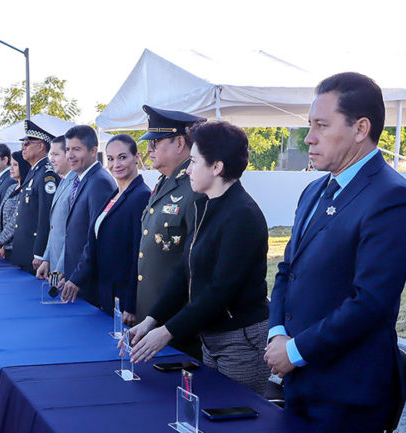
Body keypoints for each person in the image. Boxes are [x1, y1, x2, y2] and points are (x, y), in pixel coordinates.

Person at [264, 72, 406, 433]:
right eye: (309, 126)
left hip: (344, 395)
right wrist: (277, 334)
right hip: (298, 377)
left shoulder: (392, 199)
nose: (309, 138)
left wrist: (296, 350)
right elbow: (289, 270)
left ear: (360, 128)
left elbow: (369, 302)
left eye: (321, 126)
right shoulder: (315, 189)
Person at [129, 121, 272, 394]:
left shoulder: (242, 215)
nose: (189, 169)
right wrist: (152, 320)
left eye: (194, 162)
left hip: (240, 340)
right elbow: (184, 271)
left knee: (234, 419)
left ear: (217, 167)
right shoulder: (203, 205)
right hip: (211, 336)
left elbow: (221, 290)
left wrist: (167, 331)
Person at [61, 134, 148, 319]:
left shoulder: (141, 196)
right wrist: (77, 279)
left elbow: (138, 254)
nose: (116, 164)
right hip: (106, 291)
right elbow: (95, 240)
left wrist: (131, 304)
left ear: (136, 157)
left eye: (122, 157)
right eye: (110, 158)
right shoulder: (115, 194)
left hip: (123, 296)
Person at [135, 106, 203, 325]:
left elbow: (194, 265)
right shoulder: (165, 180)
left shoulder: (194, 187)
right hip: (152, 310)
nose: (148, 150)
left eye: (155, 143)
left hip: (173, 318)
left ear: (180, 143)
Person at [55, 125, 117, 304]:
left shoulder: (100, 182)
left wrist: (77, 277)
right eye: (67, 149)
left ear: (93, 151)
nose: (70, 155)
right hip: (77, 281)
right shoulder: (83, 179)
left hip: (89, 284)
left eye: (76, 149)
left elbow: (97, 237)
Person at [10, 119, 59, 273]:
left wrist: (40, 253)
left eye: (27, 143)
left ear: (41, 146)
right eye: (22, 143)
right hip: (24, 251)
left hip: (34, 254)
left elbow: (46, 216)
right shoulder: (34, 172)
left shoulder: (46, 175)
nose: (22, 147)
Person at [35, 135, 75, 278]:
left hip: (67, 271)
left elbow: (72, 234)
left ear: (69, 155)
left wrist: (60, 268)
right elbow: (54, 229)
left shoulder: (76, 185)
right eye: (50, 154)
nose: (51, 159)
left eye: (56, 154)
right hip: (56, 266)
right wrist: (46, 259)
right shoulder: (63, 181)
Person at [0, 152, 29, 257]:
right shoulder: (11, 188)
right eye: (11, 165)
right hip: (2, 246)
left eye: (15, 165)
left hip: (14, 247)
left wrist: (1, 240)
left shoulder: (26, 190)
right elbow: (1, 214)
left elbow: (16, 219)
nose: (11, 168)